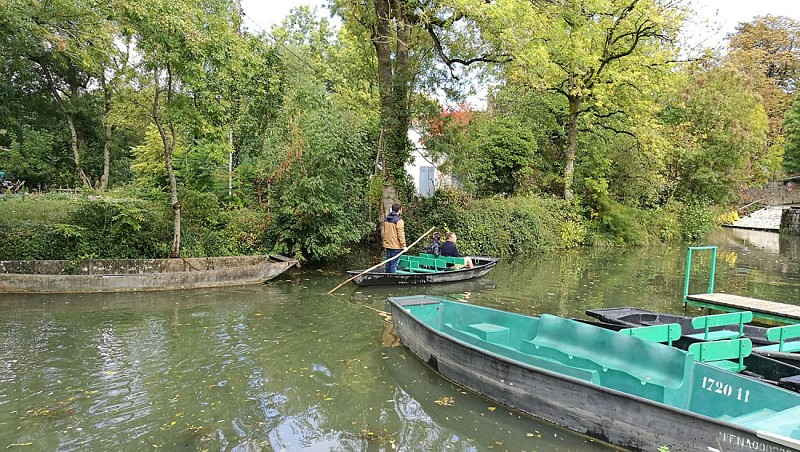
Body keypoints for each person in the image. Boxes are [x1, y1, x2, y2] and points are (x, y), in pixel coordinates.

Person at [382, 203, 406, 273]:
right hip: (396, 246)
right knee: (394, 264)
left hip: (388, 245)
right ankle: (392, 278)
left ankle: (387, 276)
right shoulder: (399, 221)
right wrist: (404, 246)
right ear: (399, 210)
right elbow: (401, 234)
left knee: (388, 262)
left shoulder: (386, 219)